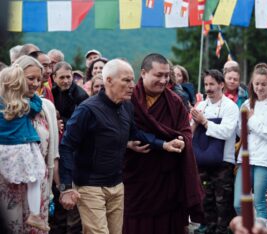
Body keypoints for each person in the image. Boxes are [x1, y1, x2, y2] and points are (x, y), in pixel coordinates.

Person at [58, 58, 185, 234]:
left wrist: (164, 144)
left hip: (117, 185)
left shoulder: (126, 107)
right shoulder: (87, 110)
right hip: (89, 186)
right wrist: (65, 187)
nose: (132, 85)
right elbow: (66, 146)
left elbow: (135, 133)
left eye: (132, 80)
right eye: (126, 80)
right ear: (108, 80)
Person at [123, 53, 204, 234]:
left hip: (166, 179)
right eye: (158, 75)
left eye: (166, 75)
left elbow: (185, 131)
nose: (163, 80)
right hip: (136, 177)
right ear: (143, 73)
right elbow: (115, 132)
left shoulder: (174, 101)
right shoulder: (129, 99)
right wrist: (127, 144)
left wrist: (182, 142)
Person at [0, 55, 59, 233]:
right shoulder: (26, 104)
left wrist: (55, 186)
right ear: (16, 77)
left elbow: (53, 152)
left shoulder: (46, 106)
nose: (35, 83)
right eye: (30, 78)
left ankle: (35, 215)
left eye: (39, 80)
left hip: (37, 182)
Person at [234, 63, 267, 220]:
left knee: (259, 203)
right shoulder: (246, 104)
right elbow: (239, 132)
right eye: (256, 84)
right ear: (252, 84)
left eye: (263, 84)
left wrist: (252, 121)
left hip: (265, 160)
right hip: (246, 157)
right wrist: (247, 125)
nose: (260, 87)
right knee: (238, 203)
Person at [191, 69, 239, 234]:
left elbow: (226, 132)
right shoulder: (201, 105)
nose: (208, 88)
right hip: (203, 161)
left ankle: (222, 231)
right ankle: (209, 229)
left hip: (223, 162)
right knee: (206, 200)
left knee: (222, 202)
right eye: (206, 84)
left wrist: (204, 121)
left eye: (212, 84)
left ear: (221, 85)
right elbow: (190, 131)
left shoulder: (230, 107)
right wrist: (194, 123)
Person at [50, 61, 88, 234]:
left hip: (74, 149)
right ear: (53, 78)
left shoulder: (80, 96)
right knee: (58, 201)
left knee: (73, 206)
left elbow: (82, 124)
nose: (66, 81)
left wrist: (60, 122)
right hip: (56, 147)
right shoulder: (52, 93)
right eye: (62, 77)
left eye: (69, 77)